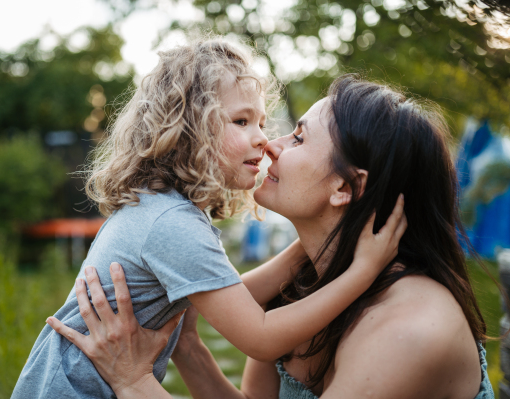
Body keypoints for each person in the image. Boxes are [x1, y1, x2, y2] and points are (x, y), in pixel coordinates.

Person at [49, 74, 496, 399]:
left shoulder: (408, 331)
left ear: (345, 188)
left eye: (299, 138)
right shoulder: (302, 291)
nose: (271, 143)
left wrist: (133, 382)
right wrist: (187, 347)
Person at [11, 41, 406, 399]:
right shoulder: (170, 223)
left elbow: (233, 295)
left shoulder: (168, 210)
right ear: (188, 129)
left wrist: (314, 241)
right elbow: (262, 337)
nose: (263, 139)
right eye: (241, 121)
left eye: (261, 122)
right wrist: (362, 271)